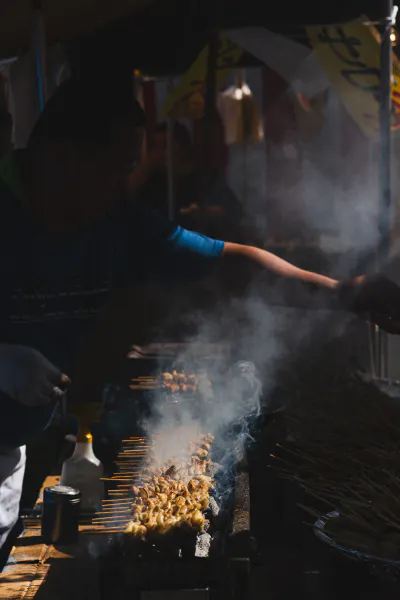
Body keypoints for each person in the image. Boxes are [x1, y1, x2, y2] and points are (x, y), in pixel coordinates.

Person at [0, 75, 398, 556]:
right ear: (62, 158)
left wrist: (341, 293)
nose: (126, 184)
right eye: (117, 168)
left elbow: (227, 265)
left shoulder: (114, 223)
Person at [127, 121, 244, 239]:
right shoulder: (156, 180)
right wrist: (147, 165)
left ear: (182, 149)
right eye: (156, 147)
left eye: (165, 146)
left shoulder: (204, 178)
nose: (160, 153)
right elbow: (126, 194)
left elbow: (233, 211)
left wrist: (204, 212)